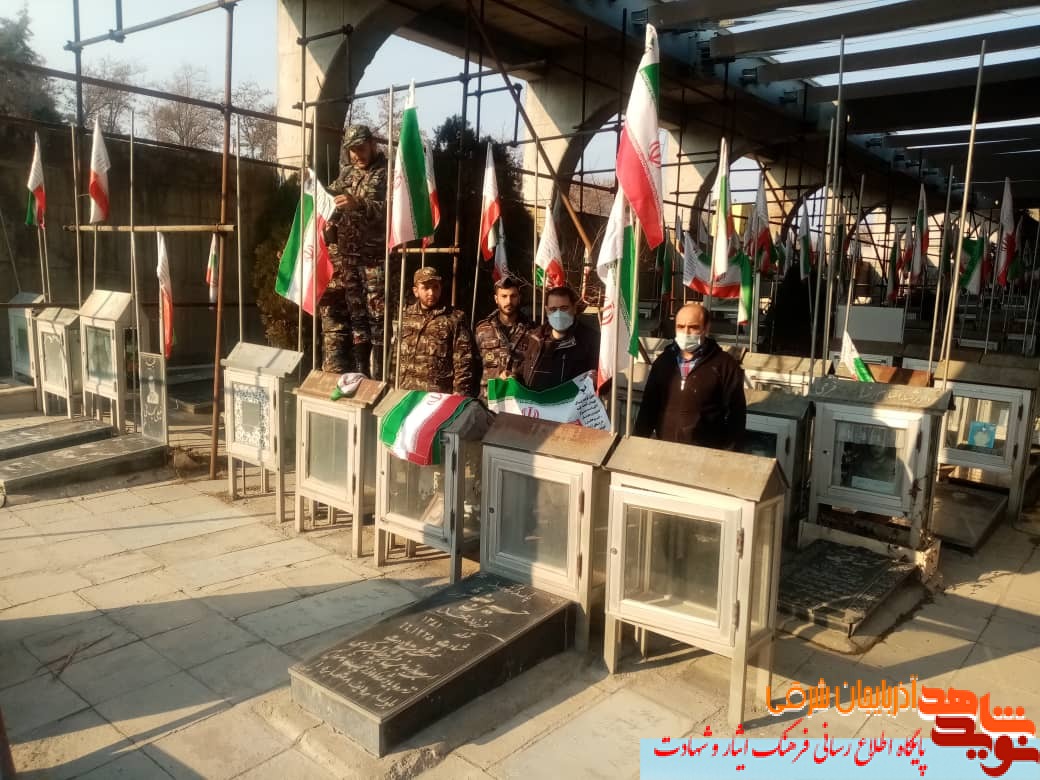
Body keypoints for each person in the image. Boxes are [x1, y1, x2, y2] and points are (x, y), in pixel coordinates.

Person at [633, 302, 746, 449]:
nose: (686, 332)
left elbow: (736, 417)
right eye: (680, 327)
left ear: (706, 328)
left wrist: (729, 454)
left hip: (706, 454)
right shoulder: (663, 362)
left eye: (693, 327)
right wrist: (637, 445)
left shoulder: (725, 366)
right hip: (665, 449)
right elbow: (648, 407)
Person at [324, 124, 388, 377]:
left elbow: (392, 211)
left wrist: (358, 203)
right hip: (348, 258)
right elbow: (329, 198)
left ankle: (380, 375)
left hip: (374, 258)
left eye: (361, 149)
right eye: (352, 150)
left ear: (372, 144)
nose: (356, 155)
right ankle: (362, 373)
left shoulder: (388, 173)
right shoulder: (347, 174)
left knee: (377, 317)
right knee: (357, 316)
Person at [392, 266, 477, 395]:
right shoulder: (405, 316)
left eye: (435, 287)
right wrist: (392, 389)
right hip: (406, 392)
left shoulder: (454, 318)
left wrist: (458, 397)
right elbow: (395, 357)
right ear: (416, 291)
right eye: (426, 288)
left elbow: (463, 363)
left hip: (437, 396)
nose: (431, 293)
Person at [517, 286, 599, 391]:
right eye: (553, 309)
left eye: (564, 308)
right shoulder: (535, 336)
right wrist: (513, 376)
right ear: (547, 310)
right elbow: (523, 371)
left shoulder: (590, 340)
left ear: (574, 308)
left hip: (570, 401)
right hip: (534, 400)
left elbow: (601, 377)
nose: (558, 314)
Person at [474, 276, 533, 398]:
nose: (509, 301)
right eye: (504, 296)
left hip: (518, 400)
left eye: (513, 296)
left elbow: (533, 369)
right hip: (488, 400)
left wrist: (516, 376)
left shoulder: (532, 331)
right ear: (496, 299)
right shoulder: (482, 330)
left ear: (519, 298)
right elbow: (473, 368)